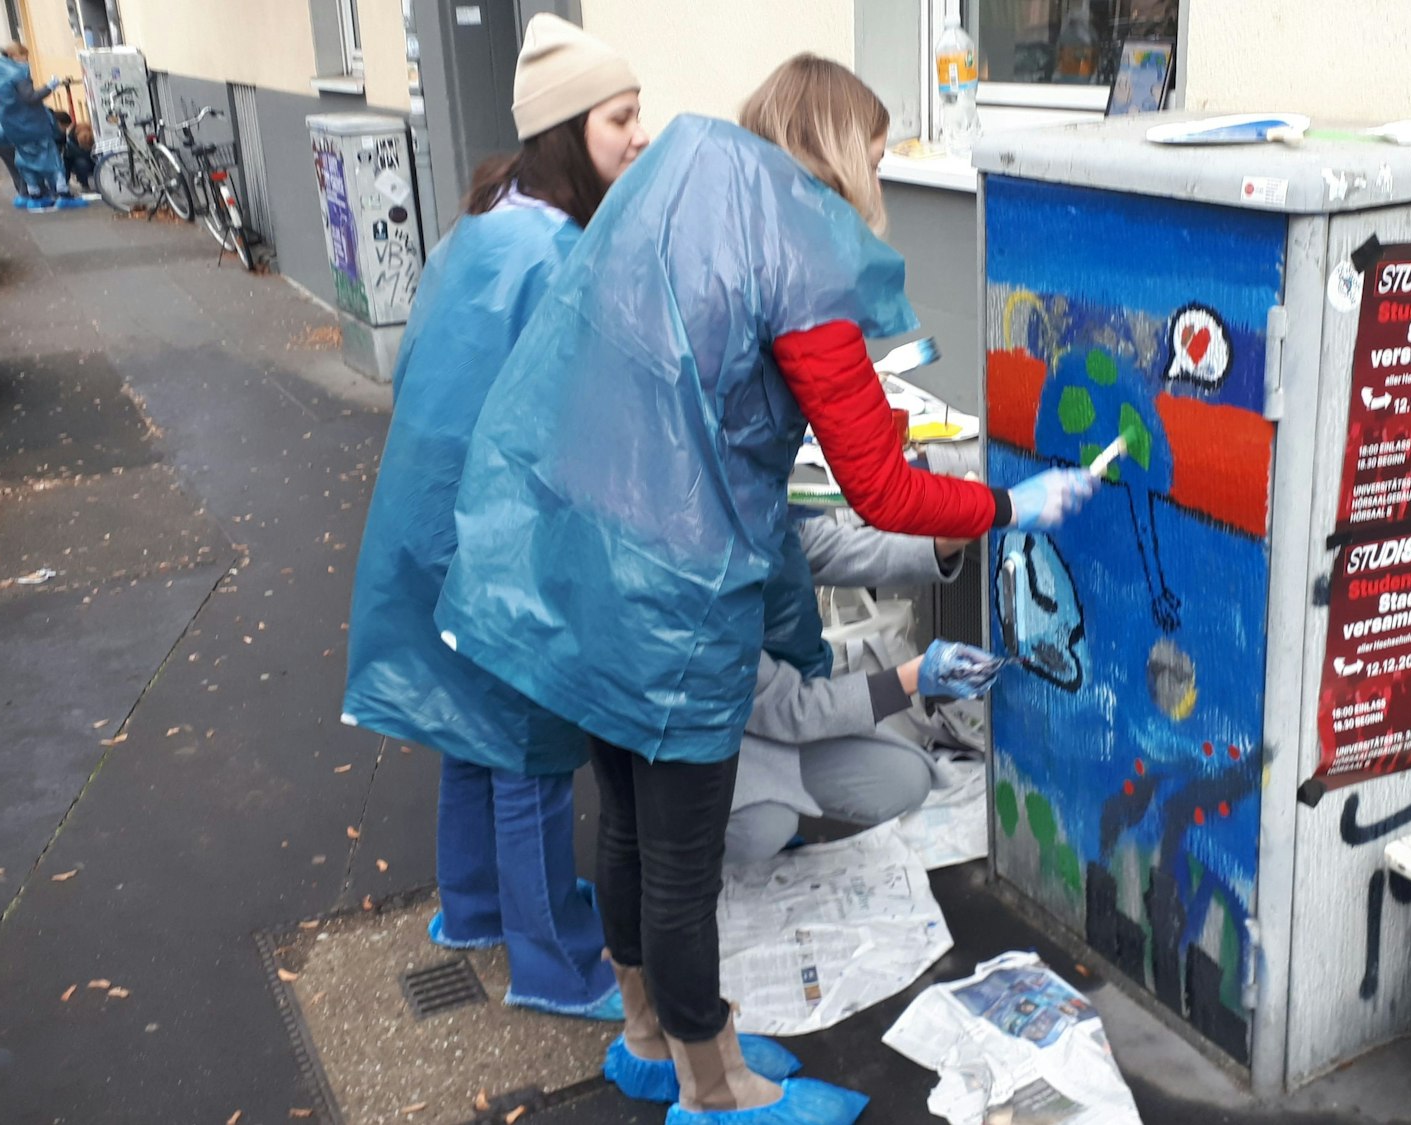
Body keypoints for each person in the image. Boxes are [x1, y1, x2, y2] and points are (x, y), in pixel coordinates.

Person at [436, 53, 1096, 1124]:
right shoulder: (796, 251)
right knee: (683, 860)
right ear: (839, 155)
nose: (878, 180)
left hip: (581, 563)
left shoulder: (682, 183)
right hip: (674, 604)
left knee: (629, 828)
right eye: (875, 157)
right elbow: (877, 486)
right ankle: (719, 1088)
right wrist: (1011, 508)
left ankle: (648, 1039)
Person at [347, 21, 800, 1069]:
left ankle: (469, 909)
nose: (637, 137)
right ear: (565, 132)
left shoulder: (480, 221)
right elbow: (601, 413)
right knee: (528, 746)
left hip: (431, 516)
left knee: (468, 727)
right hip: (504, 537)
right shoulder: (557, 253)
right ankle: (555, 959)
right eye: (619, 118)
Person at [727, 516, 995, 865]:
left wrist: (938, 545)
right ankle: (668, 861)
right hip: (720, 739)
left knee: (907, 778)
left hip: (781, 715)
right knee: (763, 827)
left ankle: (780, 798)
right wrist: (910, 678)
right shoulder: (699, 554)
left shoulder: (763, 508)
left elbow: (838, 547)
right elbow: (788, 707)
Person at [0, 44, 81, 210]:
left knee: (24, 159)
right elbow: (30, 97)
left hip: (11, 126)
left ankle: (34, 194)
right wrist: (49, 87)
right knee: (51, 158)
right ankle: (63, 193)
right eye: (25, 56)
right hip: (32, 123)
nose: (26, 60)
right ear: (16, 56)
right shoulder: (18, 73)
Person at [52, 111, 95, 193]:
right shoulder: (68, 138)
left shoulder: (67, 135)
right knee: (80, 163)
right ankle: (81, 184)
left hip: (82, 160)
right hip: (76, 161)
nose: (65, 130)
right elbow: (70, 156)